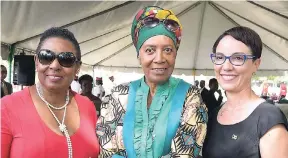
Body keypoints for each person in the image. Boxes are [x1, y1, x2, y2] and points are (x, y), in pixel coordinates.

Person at [96, 6, 207, 158]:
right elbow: (107, 150)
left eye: (168, 50)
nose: (160, 59)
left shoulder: (190, 97)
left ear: (175, 54)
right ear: (139, 55)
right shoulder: (119, 95)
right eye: (150, 50)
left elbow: (184, 154)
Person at [1, 27, 99, 158]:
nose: (54, 65)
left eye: (66, 59)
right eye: (46, 57)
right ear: (36, 62)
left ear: (77, 68)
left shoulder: (88, 107)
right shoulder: (7, 107)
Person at [203, 26, 288, 157]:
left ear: (256, 64)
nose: (226, 67)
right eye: (219, 57)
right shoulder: (213, 115)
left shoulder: (267, 118)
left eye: (238, 58)